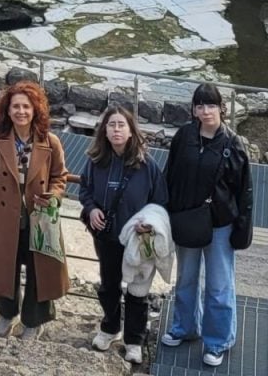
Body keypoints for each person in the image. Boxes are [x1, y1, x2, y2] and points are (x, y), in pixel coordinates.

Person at [162, 83, 253, 369]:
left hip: (220, 224)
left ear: (221, 108)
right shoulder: (184, 136)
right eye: (200, 105)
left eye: (211, 105)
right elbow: (169, 175)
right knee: (186, 279)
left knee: (219, 286)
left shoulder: (233, 144)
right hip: (186, 219)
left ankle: (217, 341)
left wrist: (242, 229)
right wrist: (163, 211)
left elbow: (245, 191)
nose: (205, 111)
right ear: (193, 109)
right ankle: (184, 328)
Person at [0, 80, 70, 339]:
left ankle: (33, 321)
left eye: (26, 106)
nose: (21, 111)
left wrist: (54, 196)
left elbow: (60, 177)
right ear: (7, 111)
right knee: (5, 268)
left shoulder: (51, 141)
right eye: (15, 106)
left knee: (40, 273)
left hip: (39, 218)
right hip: (6, 216)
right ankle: (6, 315)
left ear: (35, 109)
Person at [80, 106, 168, 365]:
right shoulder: (96, 161)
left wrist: (148, 223)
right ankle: (109, 328)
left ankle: (134, 340)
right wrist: (91, 208)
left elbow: (160, 201)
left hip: (137, 240)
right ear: (104, 131)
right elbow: (85, 189)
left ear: (131, 131)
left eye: (121, 125)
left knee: (138, 290)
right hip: (106, 236)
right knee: (108, 285)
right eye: (111, 125)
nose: (116, 129)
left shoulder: (147, 165)